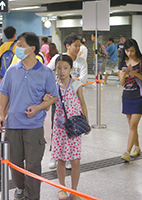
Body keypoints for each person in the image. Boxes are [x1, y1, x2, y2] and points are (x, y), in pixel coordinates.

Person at [0, 32, 58, 200]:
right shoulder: (12, 70)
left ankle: (32, 196)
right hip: (12, 125)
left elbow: (53, 97)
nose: (17, 48)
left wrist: (38, 107)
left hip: (34, 127)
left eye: (21, 45)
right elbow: (4, 93)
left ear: (32, 49)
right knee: (14, 164)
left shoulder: (45, 72)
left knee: (33, 165)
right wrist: (1, 113)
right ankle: (21, 187)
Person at [47, 54, 90, 200]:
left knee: (75, 160)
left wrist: (87, 122)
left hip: (74, 127)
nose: (62, 71)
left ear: (71, 69)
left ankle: (74, 190)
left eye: (65, 68)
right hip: (59, 129)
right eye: (59, 68)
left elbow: (83, 104)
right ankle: (62, 188)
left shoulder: (76, 85)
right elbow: (49, 102)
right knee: (60, 159)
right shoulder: (54, 86)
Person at [47, 33, 88, 170]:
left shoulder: (81, 61)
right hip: (59, 97)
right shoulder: (57, 58)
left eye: (79, 45)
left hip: (74, 97)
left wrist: (70, 81)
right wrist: (55, 83)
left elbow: (83, 79)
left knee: (73, 126)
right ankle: (55, 155)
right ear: (68, 46)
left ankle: (70, 156)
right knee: (57, 127)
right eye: (76, 45)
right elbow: (47, 72)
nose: (78, 48)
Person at [118, 38, 142, 162]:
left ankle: (127, 152)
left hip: (138, 96)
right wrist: (123, 75)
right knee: (132, 126)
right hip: (127, 96)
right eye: (127, 51)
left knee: (133, 125)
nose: (129, 54)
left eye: (131, 51)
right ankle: (137, 147)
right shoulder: (123, 62)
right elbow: (122, 83)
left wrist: (133, 73)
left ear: (136, 49)